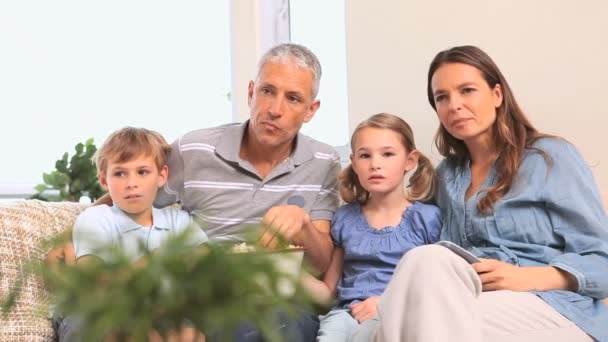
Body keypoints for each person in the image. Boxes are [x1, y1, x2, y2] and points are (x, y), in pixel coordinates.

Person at [49, 43, 341, 341]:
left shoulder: (323, 162)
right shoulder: (194, 150)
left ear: (311, 110)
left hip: (272, 296)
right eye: (267, 91)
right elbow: (131, 190)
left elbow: (320, 263)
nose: (275, 109)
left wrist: (302, 224)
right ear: (251, 92)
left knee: (282, 324)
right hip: (203, 295)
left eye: (293, 98)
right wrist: (74, 233)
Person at [355, 45, 608, 342]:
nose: (455, 105)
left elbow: (602, 261)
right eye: (442, 97)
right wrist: (392, 300)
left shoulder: (550, 157)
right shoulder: (447, 175)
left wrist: (525, 277)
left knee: (402, 319)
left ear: (497, 95)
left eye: (467, 90)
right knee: (419, 266)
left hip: (550, 304)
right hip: (471, 300)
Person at [58, 127, 208, 342]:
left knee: (186, 332)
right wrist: (158, 262)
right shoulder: (97, 218)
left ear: (162, 176)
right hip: (98, 312)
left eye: (142, 172)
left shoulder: (178, 220)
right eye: (120, 173)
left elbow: (204, 262)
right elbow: (94, 283)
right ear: (104, 181)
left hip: (160, 311)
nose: (131, 183)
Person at [313, 113, 441, 342]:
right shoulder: (344, 218)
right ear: (354, 162)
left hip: (396, 313)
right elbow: (328, 291)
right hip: (345, 314)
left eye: (388, 154)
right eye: (365, 155)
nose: (375, 164)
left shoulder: (426, 218)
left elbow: (438, 285)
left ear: (410, 161)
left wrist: (388, 305)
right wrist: (284, 272)